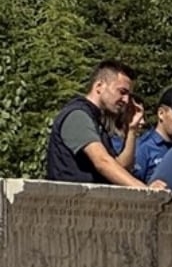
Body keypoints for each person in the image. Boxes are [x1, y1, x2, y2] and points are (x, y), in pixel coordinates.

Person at [46, 59, 146, 187]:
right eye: (122, 92)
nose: (126, 100)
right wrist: (145, 192)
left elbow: (120, 169)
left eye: (129, 95)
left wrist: (132, 129)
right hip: (70, 204)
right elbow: (102, 162)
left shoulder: (97, 120)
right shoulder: (77, 116)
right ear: (99, 86)